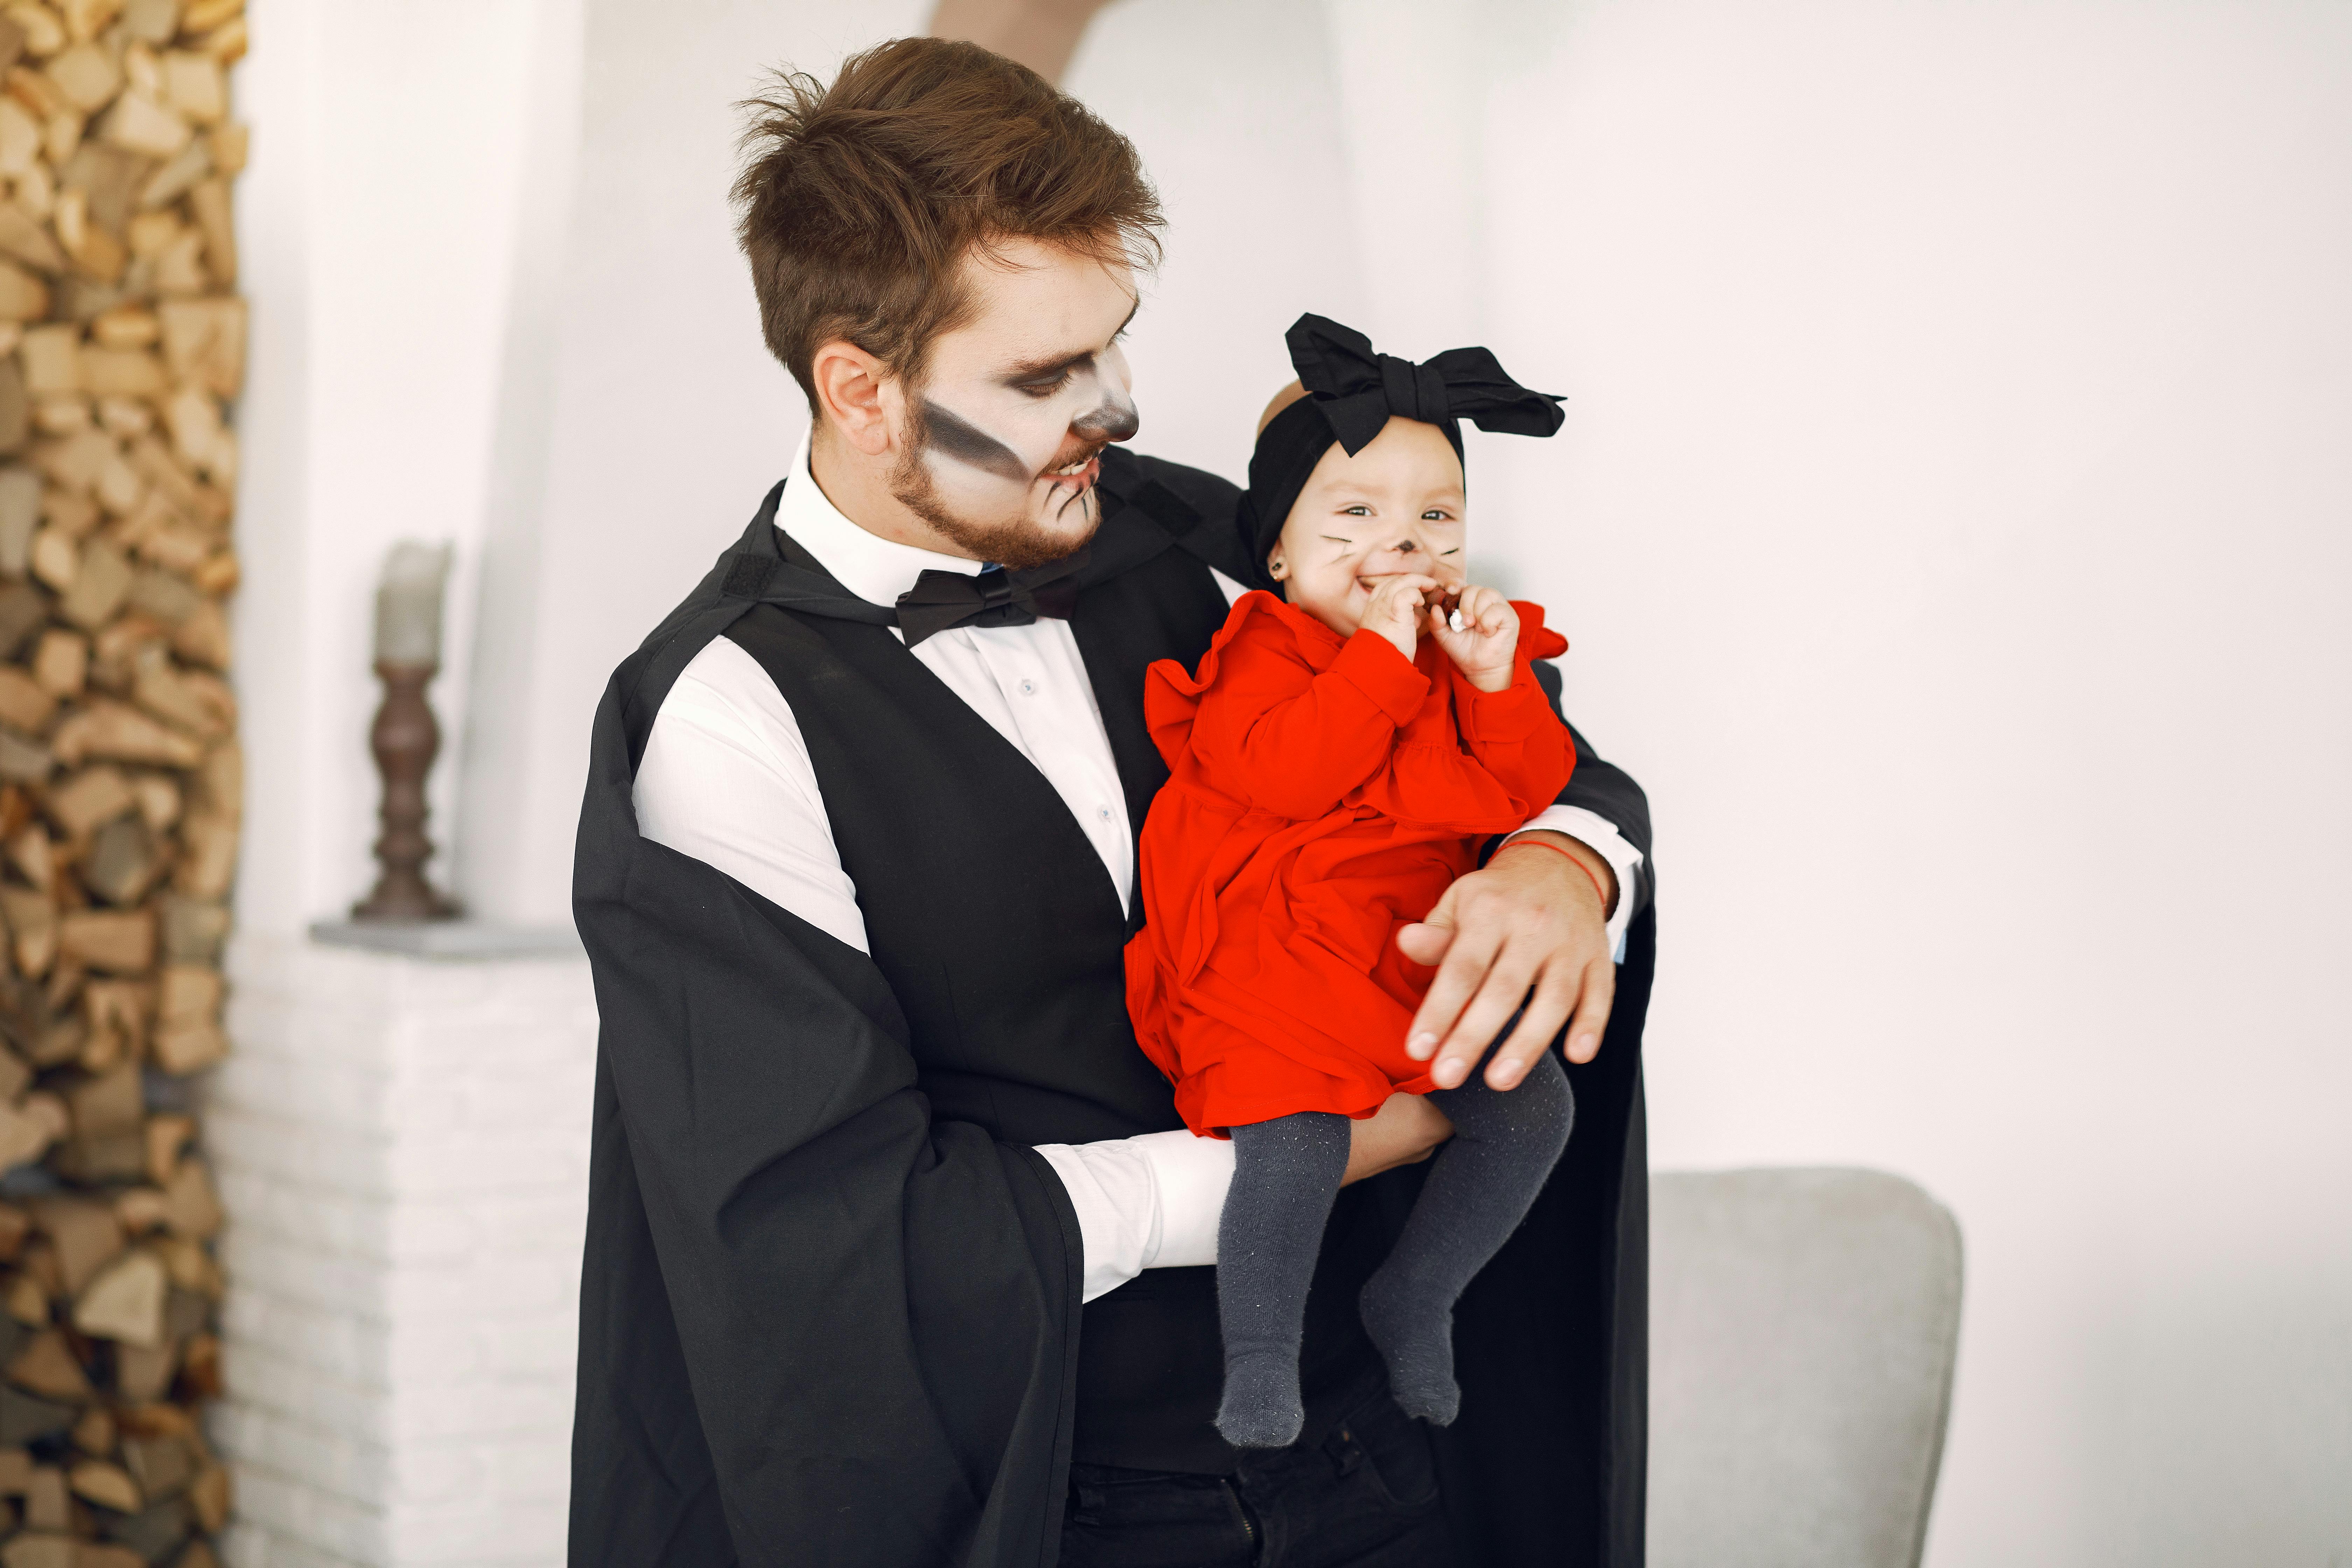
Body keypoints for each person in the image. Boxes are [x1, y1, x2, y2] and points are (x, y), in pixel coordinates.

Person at [567, 37, 1655, 1568]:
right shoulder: (723, 724)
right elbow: (845, 1238)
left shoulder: (1191, 538)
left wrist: (1561, 860)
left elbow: (1528, 741)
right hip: (1061, 1509)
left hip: (1392, 1465)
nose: (1123, 408)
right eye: (1042, 378)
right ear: (862, 390)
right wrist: (1320, 1152)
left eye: (1115, 344)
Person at [1128, 314, 1583, 1451]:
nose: (1403, 548)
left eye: (1437, 520)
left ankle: (1417, 1291)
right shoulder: (1257, 655)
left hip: (1390, 956)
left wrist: (1491, 684)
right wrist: (1383, 658)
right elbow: (1289, 776)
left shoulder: (1450, 658)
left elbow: (1519, 789)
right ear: (1278, 553)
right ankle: (1261, 1358)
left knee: (1532, 1109)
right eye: (1357, 516)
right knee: (1293, 1142)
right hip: (1269, 958)